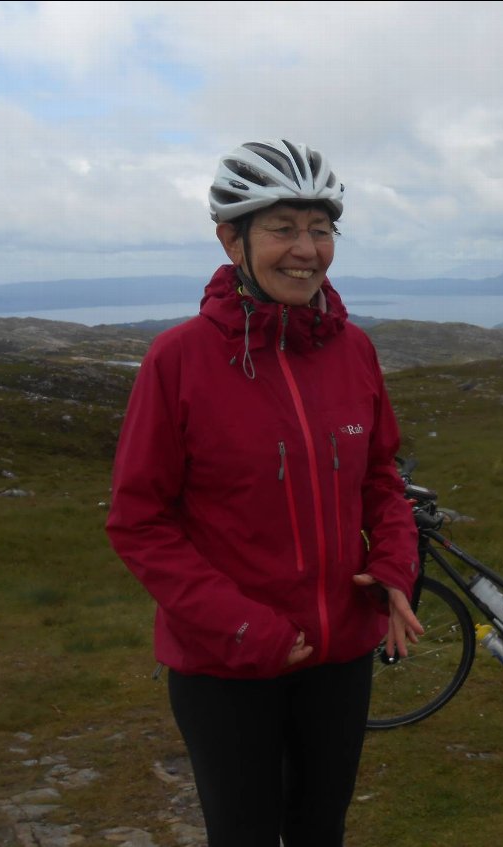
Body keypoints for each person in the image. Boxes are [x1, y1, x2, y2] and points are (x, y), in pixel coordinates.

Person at [105, 139, 423, 847]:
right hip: (225, 665)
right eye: (283, 228)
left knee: (319, 829)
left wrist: (397, 567)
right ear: (231, 238)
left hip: (339, 653)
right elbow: (139, 521)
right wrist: (247, 628)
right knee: (243, 834)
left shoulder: (355, 350)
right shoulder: (178, 359)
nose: (306, 249)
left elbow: (381, 478)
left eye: (321, 229)